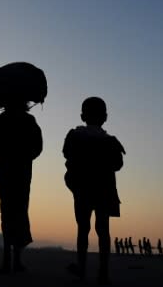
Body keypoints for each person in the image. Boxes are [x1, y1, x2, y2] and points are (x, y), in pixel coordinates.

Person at [64, 97, 125, 285]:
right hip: (104, 190)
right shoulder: (111, 142)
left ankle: (82, 269)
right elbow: (118, 164)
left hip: (82, 190)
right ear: (105, 117)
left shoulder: (74, 136)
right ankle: (103, 273)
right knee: (103, 230)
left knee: (83, 229)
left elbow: (67, 154)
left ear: (83, 116)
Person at [0, 99, 43, 274]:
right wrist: (24, 158)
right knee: (19, 212)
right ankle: (16, 260)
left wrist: (1, 159)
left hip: (5, 171)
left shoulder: (0, 121)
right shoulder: (29, 121)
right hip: (22, 173)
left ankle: (7, 260)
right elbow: (37, 148)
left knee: (7, 212)